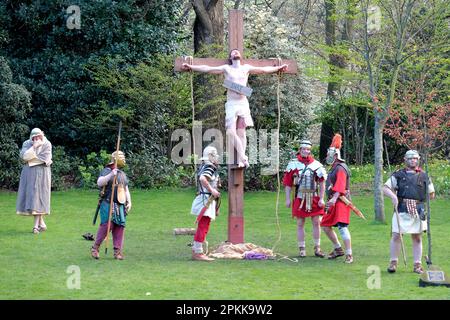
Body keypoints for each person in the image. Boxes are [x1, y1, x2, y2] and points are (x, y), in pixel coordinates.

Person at [182, 49, 288, 168]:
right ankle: (244, 157)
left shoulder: (246, 68)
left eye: (237, 51)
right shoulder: (227, 68)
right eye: (233, 52)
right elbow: (207, 68)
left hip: (243, 103)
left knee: (241, 132)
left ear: (241, 55)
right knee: (230, 132)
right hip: (232, 103)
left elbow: (264, 69)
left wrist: (278, 68)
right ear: (231, 56)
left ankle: (242, 160)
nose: (235, 53)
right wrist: (191, 66)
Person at [383, 149, 435, 274]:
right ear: (405, 160)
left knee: (417, 237)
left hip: (418, 210)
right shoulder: (398, 175)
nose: (413, 160)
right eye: (410, 158)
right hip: (401, 208)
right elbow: (385, 188)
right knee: (396, 235)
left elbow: (431, 194)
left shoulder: (424, 175)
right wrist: (393, 196)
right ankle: (393, 262)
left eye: (415, 158)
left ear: (418, 160)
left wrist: (425, 199)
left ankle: (417, 265)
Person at [283, 140, 327, 257]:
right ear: (300, 150)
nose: (306, 151)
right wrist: (287, 199)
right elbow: (287, 184)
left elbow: (322, 183)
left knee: (316, 222)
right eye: (304, 149)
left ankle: (317, 248)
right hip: (300, 197)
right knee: (300, 223)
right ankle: (302, 248)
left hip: (314, 197)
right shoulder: (293, 164)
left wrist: (322, 198)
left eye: (308, 149)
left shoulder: (316, 164)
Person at [91, 151, 132, 260]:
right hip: (107, 202)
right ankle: (95, 248)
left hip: (120, 204)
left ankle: (117, 251)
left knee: (120, 226)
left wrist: (129, 202)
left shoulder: (122, 174)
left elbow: (126, 189)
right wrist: (110, 175)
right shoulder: (107, 171)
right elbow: (99, 182)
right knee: (106, 225)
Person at [321, 134, 354, 263]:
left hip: (340, 201)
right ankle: (338, 249)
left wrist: (334, 199)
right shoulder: (333, 167)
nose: (328, 156)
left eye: (330, 154)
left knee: (342, 227)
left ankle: (349, 255)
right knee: (325, 225)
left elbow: (340, 187)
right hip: (333, 201)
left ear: (335, 155)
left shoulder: (340, 168)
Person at [16, 128, 53, 234]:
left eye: (38, 136)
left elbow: (45, 158)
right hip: (29, 174)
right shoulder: (27, 143)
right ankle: (42, 223)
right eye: (34, 137)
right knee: (32, 197)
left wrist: (31, 160)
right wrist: (34, 147)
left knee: (39, 197)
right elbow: (24, 157)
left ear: (42, 135)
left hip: (43, 174)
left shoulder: (47, 144)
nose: (36, 139)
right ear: (31, 137)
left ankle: (36, 226)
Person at [190, 145, 221, 261]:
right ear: (211, 156)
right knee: (203, 226)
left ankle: (197, 249)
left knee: (204, 225)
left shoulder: (204, 166)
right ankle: (198, 252)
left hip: (206, 200)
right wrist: (212, 190)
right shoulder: (209, 167)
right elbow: (203, 179)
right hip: (206, 200)